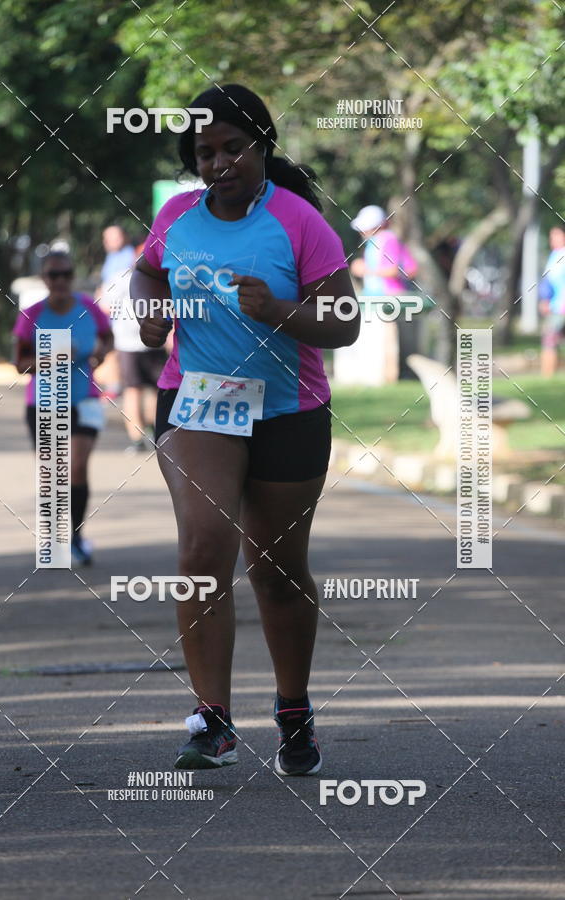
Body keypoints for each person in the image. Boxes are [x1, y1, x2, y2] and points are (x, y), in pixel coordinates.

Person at [130, 83, 359, 776]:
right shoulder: (176, 215)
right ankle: (213, 719)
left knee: (276, 571)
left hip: (288, 409)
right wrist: (150, 313)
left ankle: (293, 708)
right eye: (205, 152)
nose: (220, 163)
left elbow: (344, 323)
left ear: (262, 147)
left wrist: (281, 312)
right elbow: (146, 274)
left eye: (234, 147)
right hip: (197, 401)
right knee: (204, 545)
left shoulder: (298, 222)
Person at [13, 250, 114, 566]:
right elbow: (19, 363)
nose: (59, 281)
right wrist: (51, 358)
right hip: (44, 403)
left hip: (84, 399)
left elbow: (107, 338)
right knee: (52, 474)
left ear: (73, 276)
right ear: (44, 279)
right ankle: (54, 539)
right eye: (53, 275)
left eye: (65, 274)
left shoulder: (89, 309)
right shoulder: (31, 314)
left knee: (77, 467)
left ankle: (77, 537)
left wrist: (101, 353)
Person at [108, 242, 168, 452]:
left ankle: (147, 434)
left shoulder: (161, 276)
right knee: (137, 390)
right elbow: (106, 306)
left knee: (150, 390)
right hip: (130, 344)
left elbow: (105, 306)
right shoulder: (122, 278)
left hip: (152, 342)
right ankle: (140, 437)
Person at [349, 204, 418, 380]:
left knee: (386, 339)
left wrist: (365, 270)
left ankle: (389, 376)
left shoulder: (387, 239)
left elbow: (394, 270)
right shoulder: (375, 242)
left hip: (389, 295)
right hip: (377, 296)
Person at [95, 225, 136, 399]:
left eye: (113, 237)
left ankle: (116, 387)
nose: (107, 242)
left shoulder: (128, 256)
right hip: (109, 311)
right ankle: (116, 385)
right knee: (111, 349)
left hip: (121, 313)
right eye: (106, 238)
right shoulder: (112, 257)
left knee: (114, 348)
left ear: (124, 237)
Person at [539, 225, 565, 377]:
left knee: (549, 341)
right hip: (555, 307)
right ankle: (548, 375)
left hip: (560, 308)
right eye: (551, 236)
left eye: (557, 235)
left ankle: (547, 375)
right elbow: (548, 282)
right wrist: (545, 300)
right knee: (551, 340)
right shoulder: (555, 255)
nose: (553, 239)